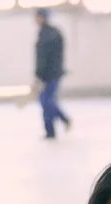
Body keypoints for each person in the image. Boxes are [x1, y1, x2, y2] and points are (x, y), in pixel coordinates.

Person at [34, 9, 70, 139]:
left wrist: (39, 75)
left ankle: (52, 130)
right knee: (46, 101)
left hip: (50, 75)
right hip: (50, 74)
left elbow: (45, 58)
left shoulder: (49, 35)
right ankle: (62, 121)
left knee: (47, 101)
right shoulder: (47, 33)